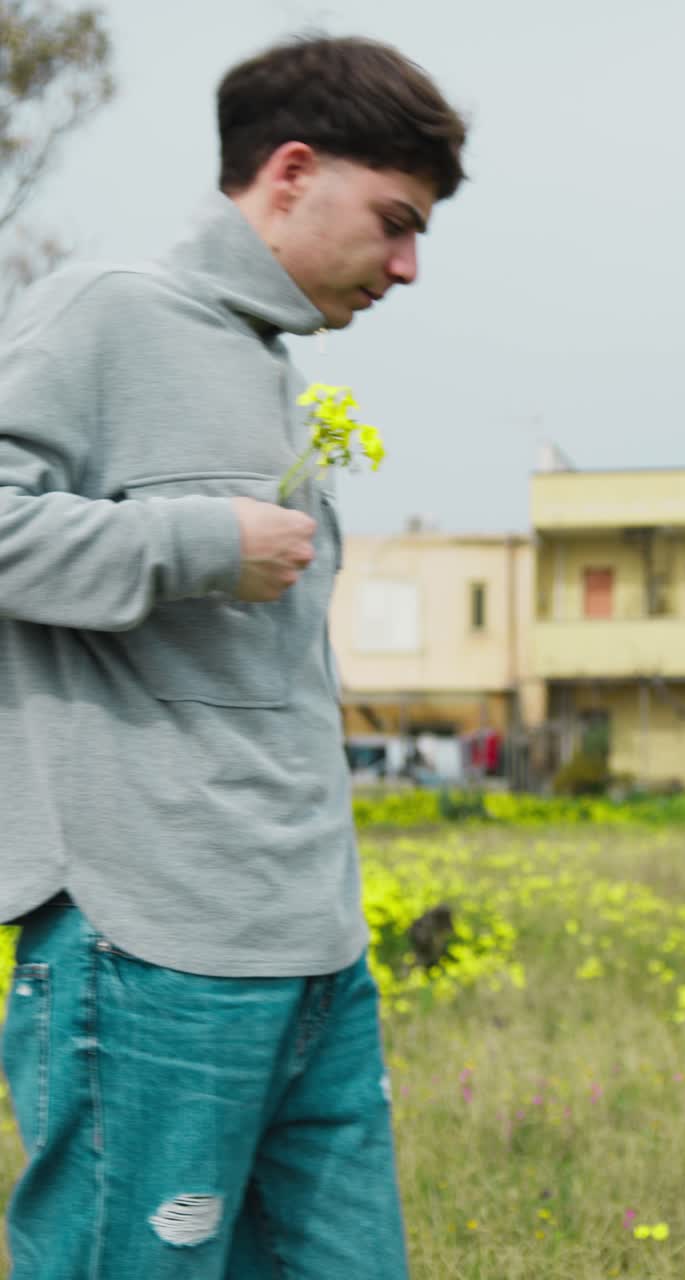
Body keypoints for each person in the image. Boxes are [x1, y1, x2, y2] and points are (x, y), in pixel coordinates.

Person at [0, 33, 466, 1279]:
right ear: (293, 170)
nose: (411, 266)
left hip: (313, 951)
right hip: (149, 945)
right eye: (397, 220)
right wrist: (196, 539)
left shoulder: (276, 372)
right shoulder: (107, 312)